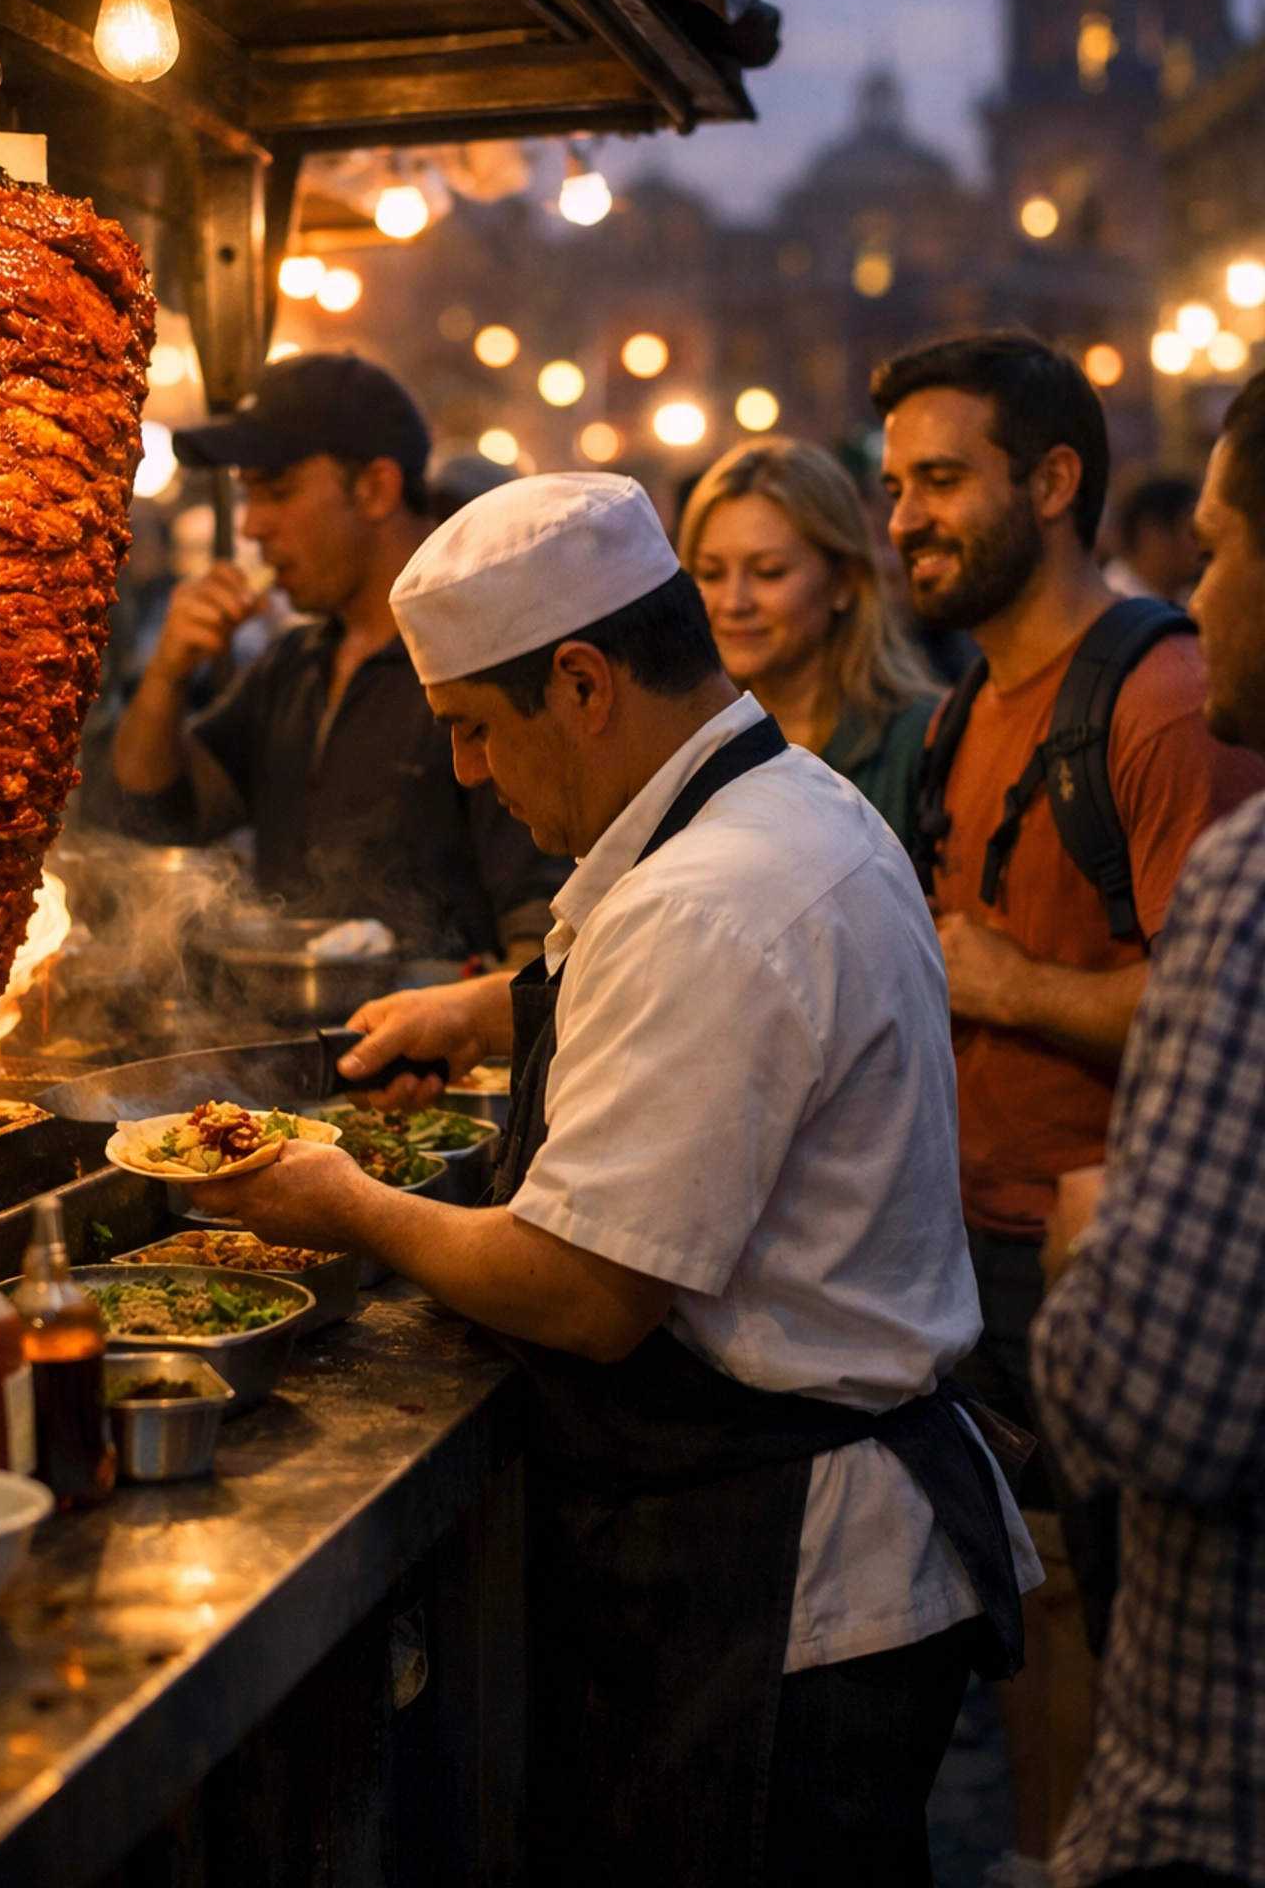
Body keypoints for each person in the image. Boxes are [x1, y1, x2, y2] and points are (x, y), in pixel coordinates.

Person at [189, 470, 1040, 1888]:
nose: (467, 772)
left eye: (472, 730)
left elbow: (584, 1295)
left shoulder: (712, 902)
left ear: (582, 682)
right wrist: (481, 1012)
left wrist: (342, 1201)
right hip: (784, 1556)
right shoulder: (776, 805)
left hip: (782, 1589)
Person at [873, 330, 1265, 1885]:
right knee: (1035, 1609)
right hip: (988, 1250)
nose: (907, 516)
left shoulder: (1161, 701)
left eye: (944, 479)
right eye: (895, 483)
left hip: (1113, 1270)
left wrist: (1013, 986)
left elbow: (1226, 1010)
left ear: (1054, 484)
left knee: (1120, 1627)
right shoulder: (972, 706)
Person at [1031, 369, 1265, 1888]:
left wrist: (1091, 1240)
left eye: (1231, 542)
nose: (1198, 579)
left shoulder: (1249, 885)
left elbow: (1154, 1404)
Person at [91, 352, 561, 961]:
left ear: (376, 487)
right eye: (248, 495)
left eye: (277, 491)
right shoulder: (295, 663)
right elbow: (149, 809)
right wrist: (167, 674)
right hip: (287, 1044)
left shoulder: (485, 662)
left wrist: (460, 1020)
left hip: (440, 1053)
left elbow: (543, 948)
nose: (254, 526)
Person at [679, 437, 938, 843]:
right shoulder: (680, 747)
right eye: (710, 574)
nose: (734, 602)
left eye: (769, 572)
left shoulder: (924, 740)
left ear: (844, 581)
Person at [1101, 473, 1203, 603]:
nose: (1202, 546)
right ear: (1150, 532)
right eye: (1193, 533)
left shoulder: (1188, 603)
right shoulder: (1110, 605)